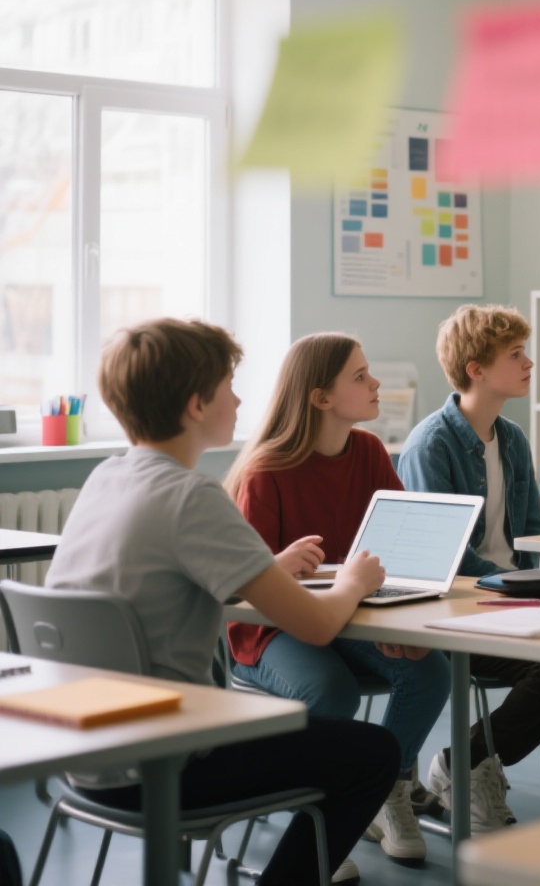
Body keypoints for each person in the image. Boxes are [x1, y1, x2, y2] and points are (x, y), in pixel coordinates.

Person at [45, 319, 396, 886]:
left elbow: (171, 578)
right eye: (229, 385)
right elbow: (316, 626)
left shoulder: (107, 478)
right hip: (166, 762)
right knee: (375, 753)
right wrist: (352, 581)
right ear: (196, 405)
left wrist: (266, 570)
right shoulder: (193, 495)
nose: (238, 399)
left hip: (84, 757)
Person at [224, 333, 451, 868]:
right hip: (272, 628)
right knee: (330, 689)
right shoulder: (265, 470)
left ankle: (385, 792)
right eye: (360, 376)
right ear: (321, 397)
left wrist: (400, 628)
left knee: (430, 671)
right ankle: (319, 822)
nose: (376, 385)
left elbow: (396, 547)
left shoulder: (370, 451)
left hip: (352, 614)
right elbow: (243, 589)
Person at [397, 304, 540, 832]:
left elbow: (532, 535)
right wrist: (513, 588)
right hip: (459, 605)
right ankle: (471, 766)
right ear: (476, 368)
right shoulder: (432, 444)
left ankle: (467, 762)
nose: (529, 363)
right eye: (515, 355)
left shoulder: (512, 438)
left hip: (510, 598)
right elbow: (442, 557)